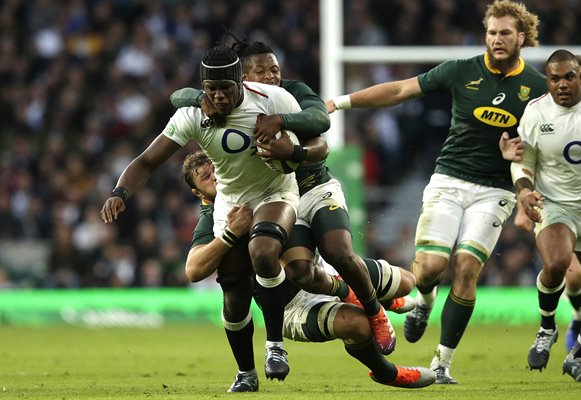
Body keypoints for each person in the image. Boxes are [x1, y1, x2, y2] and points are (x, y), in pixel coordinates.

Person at [325, 0, 547, 383]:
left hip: (495, 190)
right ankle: (424, 301)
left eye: (505, 33)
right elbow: (401, 90)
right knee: (428, 270)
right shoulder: (463, 71)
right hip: (449, 179)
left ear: (521, 38)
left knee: (466, 269)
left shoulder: (537, 89)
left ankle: (443, 362)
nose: (496, 39)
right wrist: (341, 102)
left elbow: (545, 143)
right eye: (491, 32)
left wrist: (523, 173)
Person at [171, 38, 399, 357]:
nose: (271, 76)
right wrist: (200, 98)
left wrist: (288, 139)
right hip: (277, 203)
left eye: (274, 69)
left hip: (314, 187)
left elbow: (321, 126)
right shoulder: (226, 107)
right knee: (298, 271)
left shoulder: (291, 93)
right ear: (241, 78)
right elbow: (177, 96)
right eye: (261, 71)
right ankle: (350, 294)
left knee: (339, 252)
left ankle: (378, 311)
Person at [101, 45, 304, 382]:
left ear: (240, 81)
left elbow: (316, 137)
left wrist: (295, 151)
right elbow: (147, 161)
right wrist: (120, 192)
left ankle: (275, 346)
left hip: (276, 191)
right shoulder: (193, 115)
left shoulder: (273, 100)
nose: (220, 96)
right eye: (212, 90)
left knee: (264, 249)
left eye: (226, 88)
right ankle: (245, 373)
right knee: (235, 295)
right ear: (203, 89)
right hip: (231, 202)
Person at [180, 150, 436, 390]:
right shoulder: (214, 217)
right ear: (196, 191)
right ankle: (387, 372)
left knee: (406, 282)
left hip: (323, 270)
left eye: (216, 168)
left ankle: (366, 296)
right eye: (206, 177)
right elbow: (193, 269)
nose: (215, 176)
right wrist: (230, 233)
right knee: (357, 325)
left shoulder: (261, 182)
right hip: (291, 304)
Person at [500, 54, 581, 371]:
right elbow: (522, 160)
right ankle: (547, 328)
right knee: (558, 262)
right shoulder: (535, 112)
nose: (562, 84)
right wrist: (523, 190)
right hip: (555, 203)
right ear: (547, 80)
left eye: (570, 77)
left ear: (580, 78)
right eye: (555, 78)